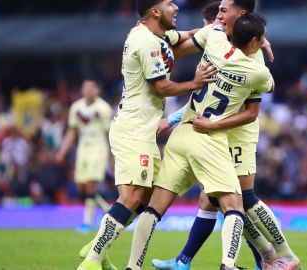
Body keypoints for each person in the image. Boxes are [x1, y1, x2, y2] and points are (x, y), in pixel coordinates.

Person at [152, 1, 298, 270]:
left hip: (237, 133)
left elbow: (252, 111)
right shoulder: (223, 43)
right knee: (215, 199)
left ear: (241, 15)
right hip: (215, 133)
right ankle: (191, 260)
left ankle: (281, 256)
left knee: (244, 198)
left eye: (224, 10)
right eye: (217, 10)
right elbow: (204, 96)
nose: (218, 15)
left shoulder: (251, 56)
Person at [124, 12, 274, 270]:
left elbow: (202, 34)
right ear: (253, 41)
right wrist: (262, 48)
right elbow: (269, 86)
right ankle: (229, 264)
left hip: (182, 133)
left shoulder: (214, 39)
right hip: (210, 138)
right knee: (234, 206)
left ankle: (133, 266)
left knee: (154, 207)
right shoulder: (258, 72)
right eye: (261, 39)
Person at [77, 0, 217, 269]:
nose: (176, 7)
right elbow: (161, 88)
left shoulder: (157, 34)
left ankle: (96, 245)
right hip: (134, 130)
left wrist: (216, 28)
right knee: (132, 196)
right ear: (155, 11)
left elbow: (189, 36)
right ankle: (92, 261)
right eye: (169, 3)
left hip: (143, 130)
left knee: (147, 198)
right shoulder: (144, 42)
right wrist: (195, 84)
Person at [55, 79, 113, 233]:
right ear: (81, 90)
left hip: (99, 147)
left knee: (91, 183)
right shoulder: (76, 108)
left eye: (91, 87)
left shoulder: (104, 108)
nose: (88, 90)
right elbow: (72, 131)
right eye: (85, 87)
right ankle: (106, 207)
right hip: (83, 149)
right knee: (81, 187)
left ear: (97, 90)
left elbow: (109, 133)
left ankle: (87, 222)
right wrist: (62, 151)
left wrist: (113, 154)